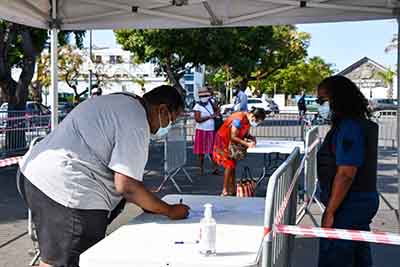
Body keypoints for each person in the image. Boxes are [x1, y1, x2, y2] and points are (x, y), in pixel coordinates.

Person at [17, 85, 190, 267]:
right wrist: (169, 210)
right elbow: (127, 186)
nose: (168, 126)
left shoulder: (123, 101)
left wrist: (151, 204)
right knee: (67, 261)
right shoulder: (137, 122)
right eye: (171, 119)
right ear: (161, 109)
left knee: (54, 257)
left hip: (35, 173)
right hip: (67, 190)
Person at [316, 76, 379, 267]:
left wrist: (330, 211)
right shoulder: (356, 124)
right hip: (359, 202)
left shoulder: (350, 127)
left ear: (337, 98)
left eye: (322, 100)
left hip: (349, 204)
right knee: (358, 256)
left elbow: (346, 173)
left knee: (335, 256)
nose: (320, 106)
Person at [213, 107, 266, 196]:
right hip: (223, 141)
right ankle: (225, 190)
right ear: (252, 116)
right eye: (257, 121)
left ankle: (232, 189)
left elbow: (245, 134)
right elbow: (233, 136)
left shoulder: (248, 121)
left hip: (230, 143)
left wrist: (252, 138)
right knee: (229, 165)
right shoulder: (239, 118)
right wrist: (247, 144)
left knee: (233, 165)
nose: (256, 123)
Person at [193, 87, 220, 176]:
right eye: (203, 95)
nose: (205, 97)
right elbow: (198, 119)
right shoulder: (197, 106)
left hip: (211, 130)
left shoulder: (211, 103)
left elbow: (217, 111)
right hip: (201, 130)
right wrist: (210, 117)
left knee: (212, 151)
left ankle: (215, 168)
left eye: (206, 95)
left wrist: (214, 102)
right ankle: (200, 169)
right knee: (201, 152)